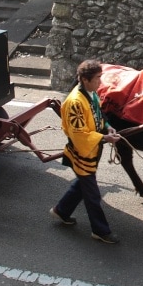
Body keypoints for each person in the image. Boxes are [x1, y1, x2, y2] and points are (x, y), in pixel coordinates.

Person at [51, 59, 121, 244]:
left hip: (92, 149)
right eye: (97, 78)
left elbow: (99, 115)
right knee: (92, 194)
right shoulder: (75, 102)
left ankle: (61, 210)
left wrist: (108, 127)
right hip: (82, 152)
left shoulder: (91, 93)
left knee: (81, 185)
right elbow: (79, 134)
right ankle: (100, 230)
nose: (100, 81)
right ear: (84, 79)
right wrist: (105, 138)